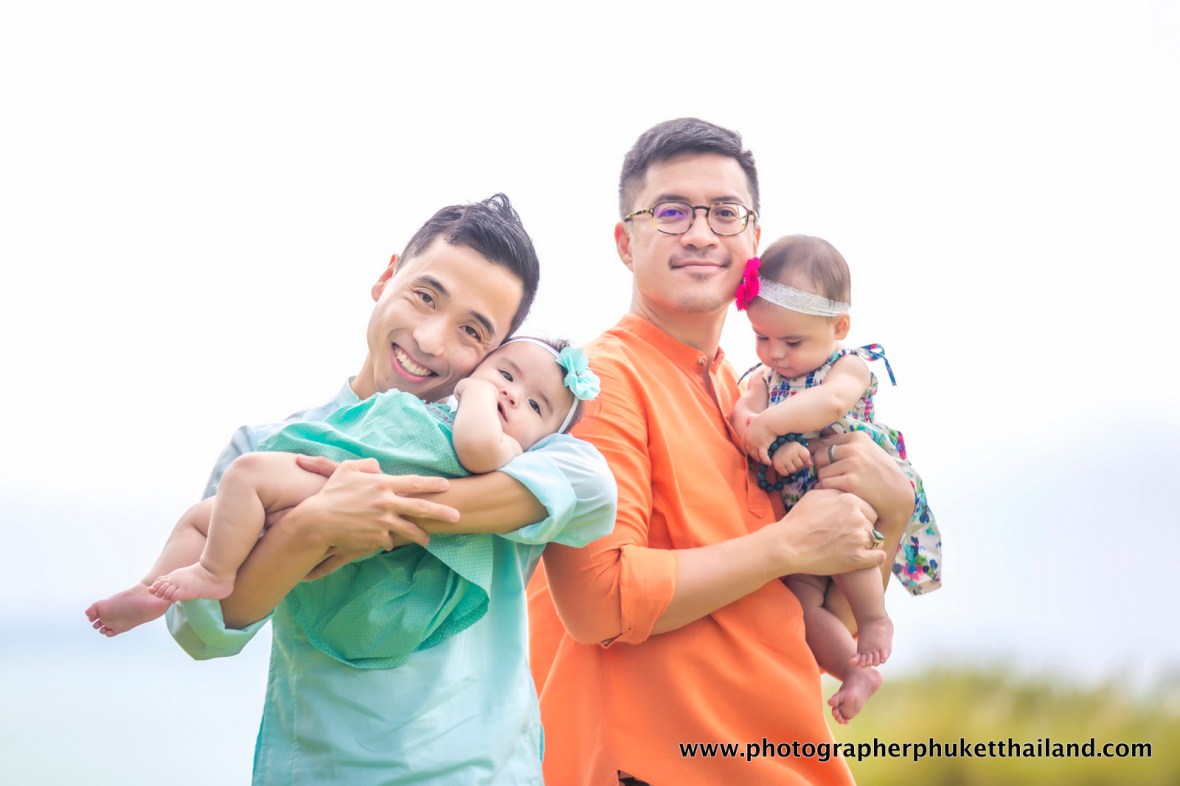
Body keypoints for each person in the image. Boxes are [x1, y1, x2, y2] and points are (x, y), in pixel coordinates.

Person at [93, 194, 617, 785]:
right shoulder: (275, 445)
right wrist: (312, 525)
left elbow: (593, 487)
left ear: (489, 355)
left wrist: (378, 506)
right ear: (387, 276)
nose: (430, 339)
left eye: (472, 330)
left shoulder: (517, 446)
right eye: (425, 296)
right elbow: (202, 634)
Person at [526, 119, 921, 785]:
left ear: (754, 243)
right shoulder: (600, 380)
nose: (701, 233)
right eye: (671, 212)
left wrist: (894, 514)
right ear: (625, 242)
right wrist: (786, 545)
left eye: (725, 212)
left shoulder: (750, 397)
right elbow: (599, 601)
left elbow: (824, 629)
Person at [88, 337, 600, 671]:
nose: (512, 396)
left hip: (348, 493)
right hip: (332, 482)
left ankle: (215, 572)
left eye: (535, 405)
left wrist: (480, 392)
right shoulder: (437, 412)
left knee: (246, 477)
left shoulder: (503, 449)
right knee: (204, 516)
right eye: (506, 374)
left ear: (543, 440)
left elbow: (475, 447)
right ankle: (152, 587)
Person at [730, 234, 941, 724]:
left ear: (838, 327)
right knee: (801, 607)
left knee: (849, 543)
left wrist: (771, 424)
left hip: (850, 483)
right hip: (801, 512)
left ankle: (873, 618)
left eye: (792, 342)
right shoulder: (763, 378)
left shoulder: (847, 366)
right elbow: (743, 417)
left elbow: (829, 403)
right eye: (761, 337)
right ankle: (854, 671)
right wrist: (772, 445)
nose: (775, 353)